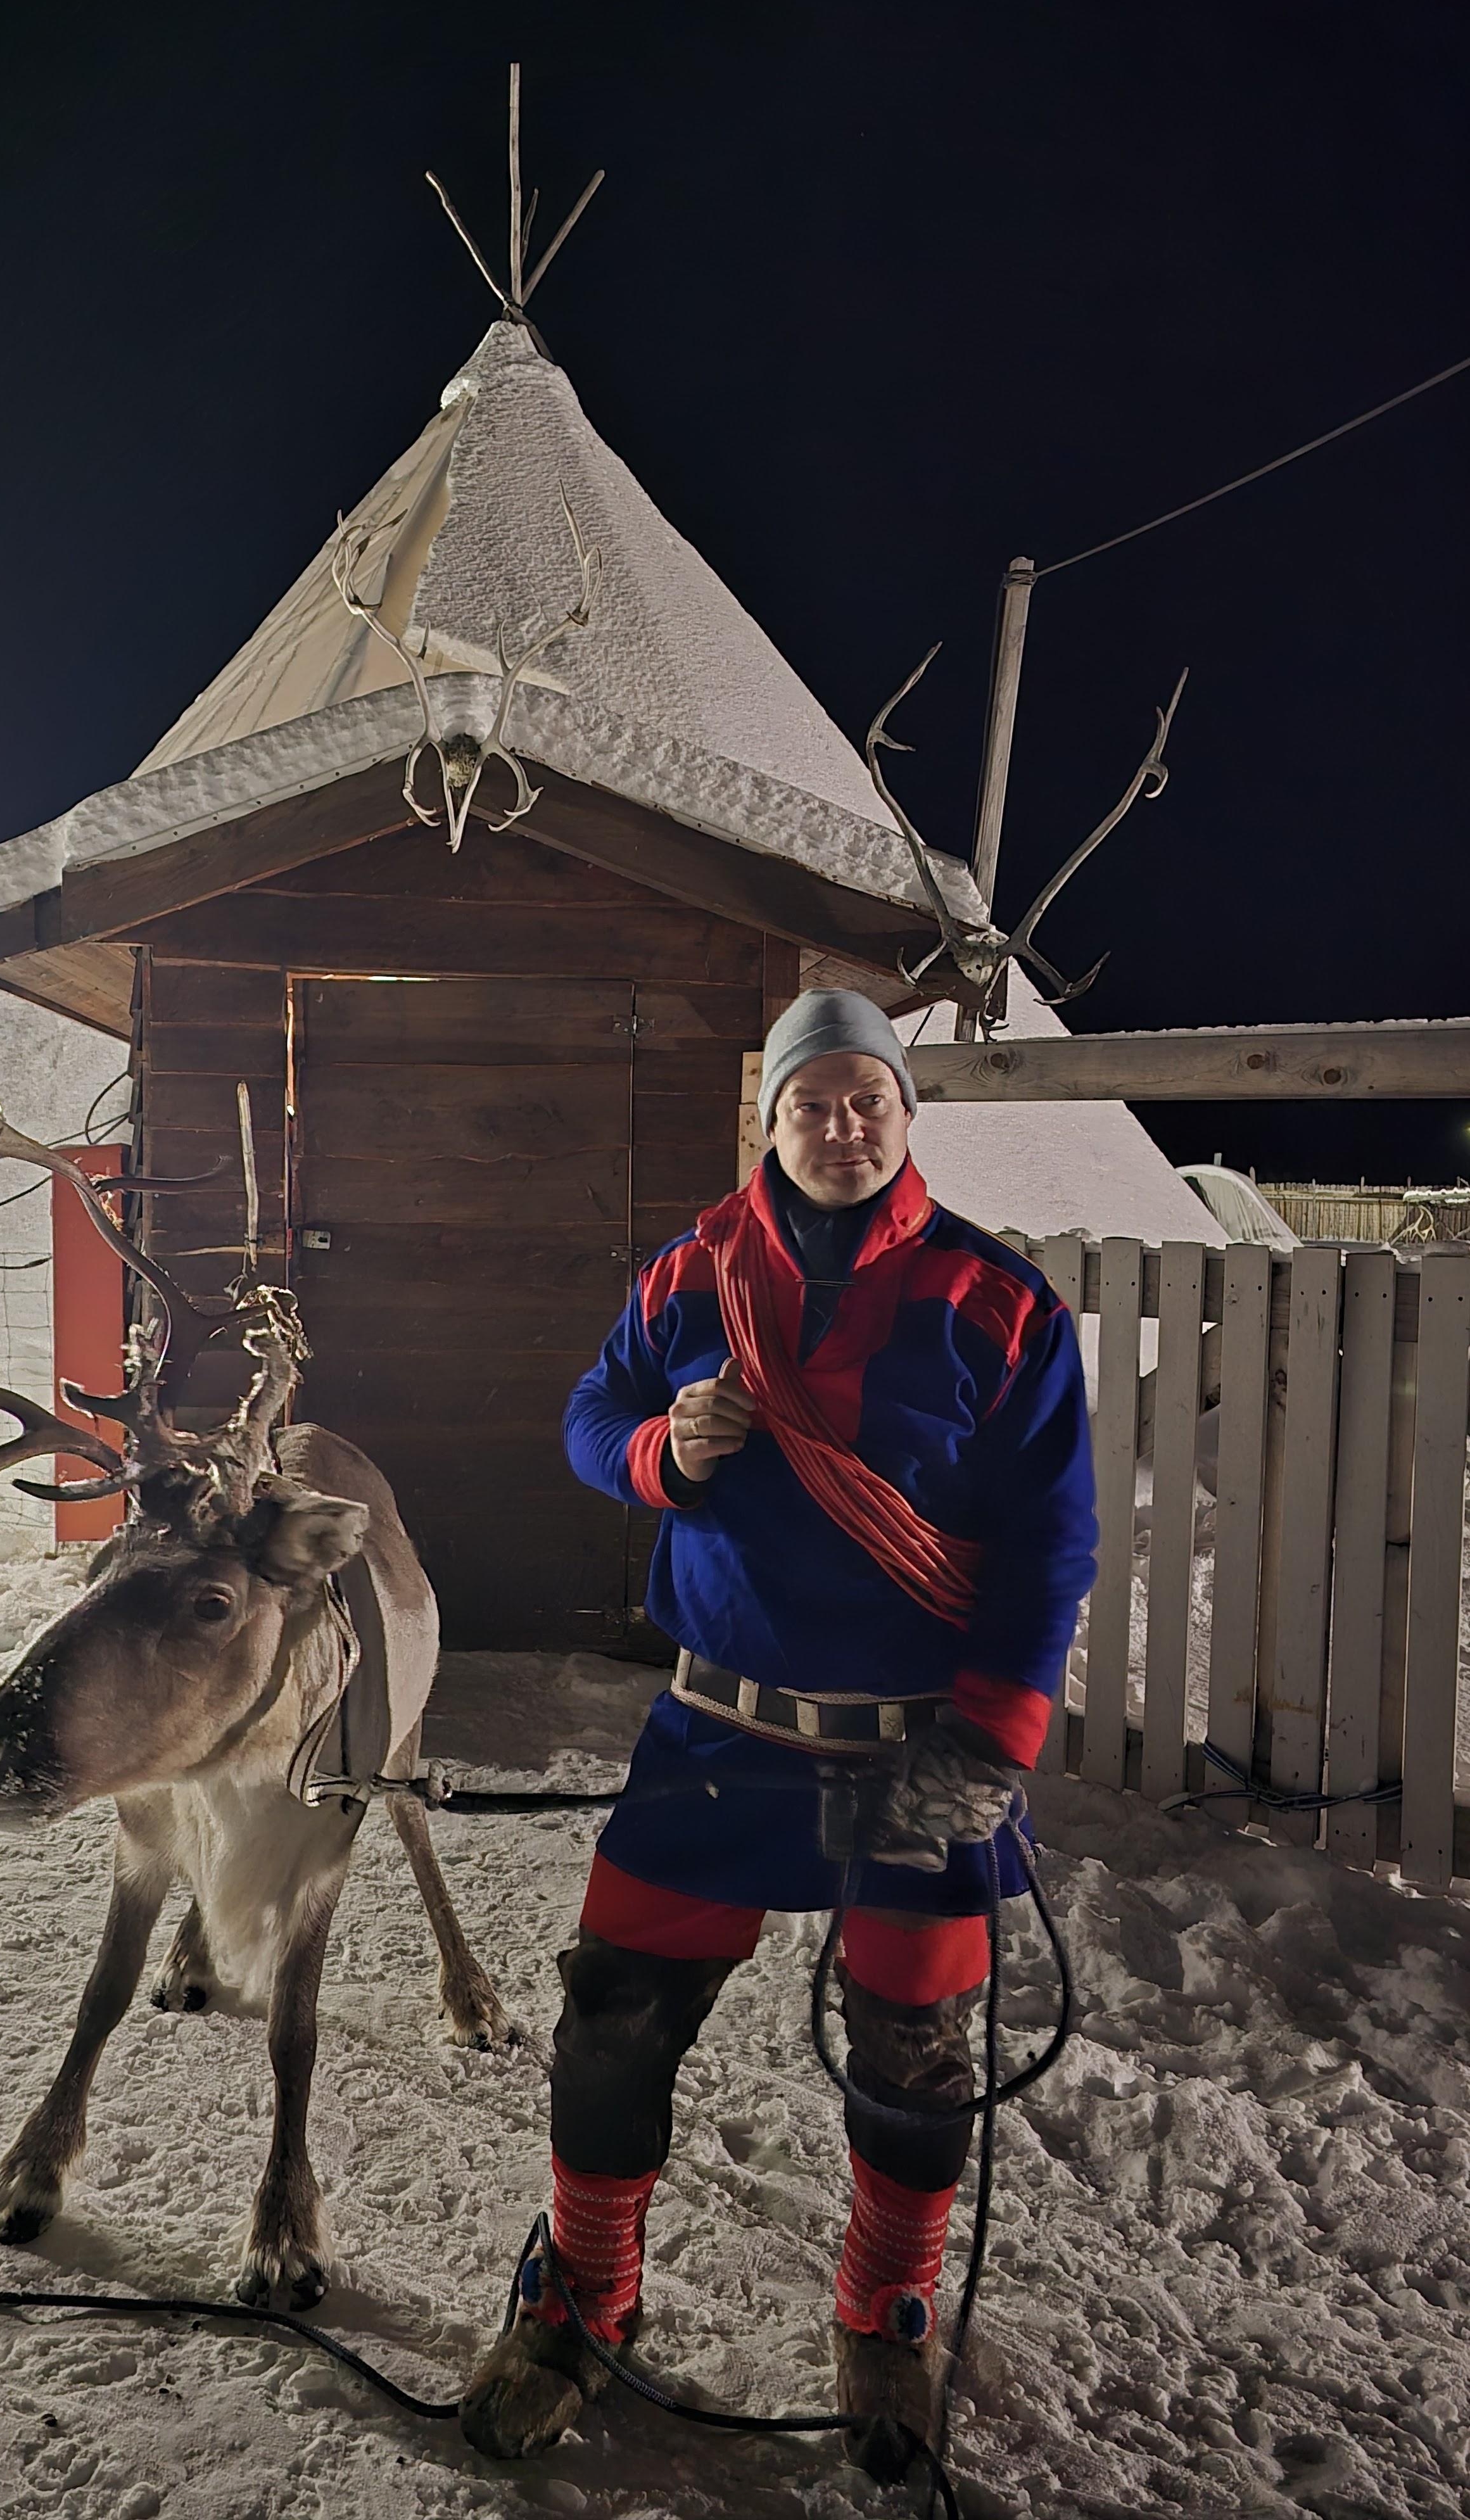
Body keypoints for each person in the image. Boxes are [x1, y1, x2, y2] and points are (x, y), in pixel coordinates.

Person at [460, 990, 1096, 2473]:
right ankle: (581, 2300)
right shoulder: (690, 1271)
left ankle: (887, 2315)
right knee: (610, 2018)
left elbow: (1049, 1541)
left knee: (915, 2056)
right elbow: (591, 1412)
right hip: (719, 1734)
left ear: (906, 1114)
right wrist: (658, 1450)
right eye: (813, 1101)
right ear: (772, 1120)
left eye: (869, 1097)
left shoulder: (999, 1301)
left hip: (914, 1750)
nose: (842, 1124)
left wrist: (993, 1737)